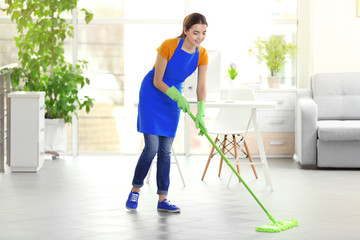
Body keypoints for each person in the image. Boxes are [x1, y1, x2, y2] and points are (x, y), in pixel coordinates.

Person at [126, 13, 209, 213]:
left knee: (165, 150)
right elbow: (157, 80)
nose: (199, 37)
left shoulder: (202, 54)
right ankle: (135, 189)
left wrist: (201, 113)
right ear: (186, 30)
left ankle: (163, 198)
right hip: (153, 94)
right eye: (196, 32)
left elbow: (201, 87)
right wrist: (177, 96)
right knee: (152, 147)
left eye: (204, 33)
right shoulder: (169, 45)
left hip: (173, 98)